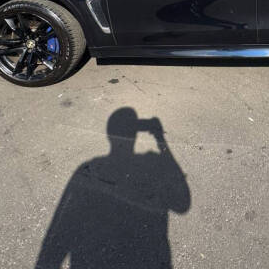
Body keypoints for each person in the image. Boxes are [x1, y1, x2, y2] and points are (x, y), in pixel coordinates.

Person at [36, 107, 190, 268]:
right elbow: (182, 204)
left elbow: (61, 225)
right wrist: (159, 139)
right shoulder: (152, 162)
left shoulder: (89, 166)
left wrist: (46, 263)